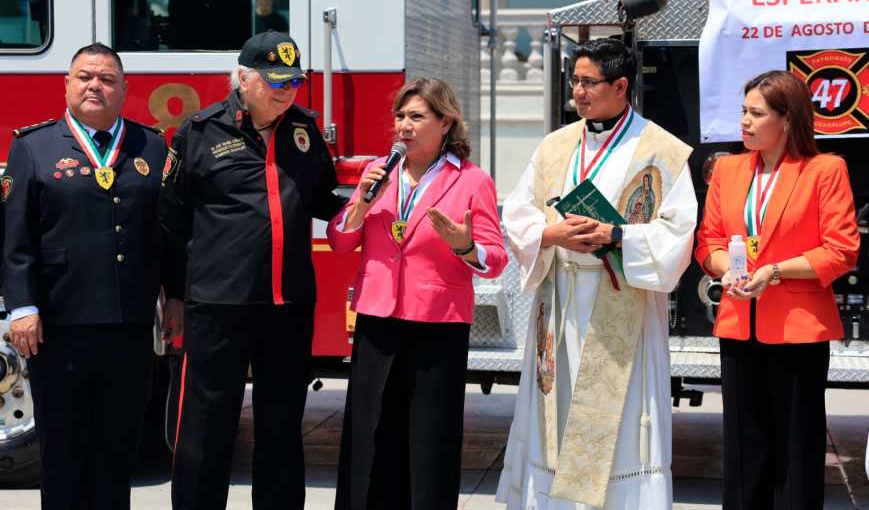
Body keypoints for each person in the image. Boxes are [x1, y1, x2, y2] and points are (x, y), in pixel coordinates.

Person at [496, 38, 697, 509]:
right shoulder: (555, 145)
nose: (578, 93)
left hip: (620, 298)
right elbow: (519, 211)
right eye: (575, 81)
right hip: (561, 298)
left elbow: (679, 233)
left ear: (621, 85)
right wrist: (552, 235)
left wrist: (616, 234)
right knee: (556, 415)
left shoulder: (660, 151)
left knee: (623, 422)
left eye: (589, 83)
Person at [160, 31, 346, 510]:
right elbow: (171, 218)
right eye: (275, 80)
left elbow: (324, 199)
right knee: (206, 429)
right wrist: (174, 295)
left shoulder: (304, 132)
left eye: (294, 82)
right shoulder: (199, 132)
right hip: (217, 306)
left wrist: (369, 199)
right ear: (243, 78)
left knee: (282, 429)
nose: (286, 90)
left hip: (287, 307)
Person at [327, 77, 508, 510]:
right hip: (378, 318)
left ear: (446, 123)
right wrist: (362, 205)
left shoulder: (471, 180)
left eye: (417, 117)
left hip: (437, 324)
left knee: (429, 442)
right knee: (369, 434)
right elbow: (338, 240)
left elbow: (495, 256)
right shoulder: (379, 171)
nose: (404, 126)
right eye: (400, 116)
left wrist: (466, 246)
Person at [3, 43, 166, 510]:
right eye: (85, 77)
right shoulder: (33, 147)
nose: (95, 85)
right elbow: (15, 239)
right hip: (57, 327)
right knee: (63, 451)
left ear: (124, 89)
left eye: (107, 78)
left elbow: (166, 234)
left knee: (117, 451)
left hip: (128, 327)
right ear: (68, 85)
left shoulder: (150, 146)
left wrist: (172, 298)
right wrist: (23, 307)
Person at [695, 70, 859, 510]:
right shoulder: (727, 170)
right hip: (738, 327)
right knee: (743, 454)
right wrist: (722, 272)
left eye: (755, 113)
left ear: (787, 120)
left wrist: (775, 271)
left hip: (797, 333)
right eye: (742, 112)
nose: (744, 122)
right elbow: (707, 241)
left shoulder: (825, 170)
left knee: (796, 453)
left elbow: (841, 251)